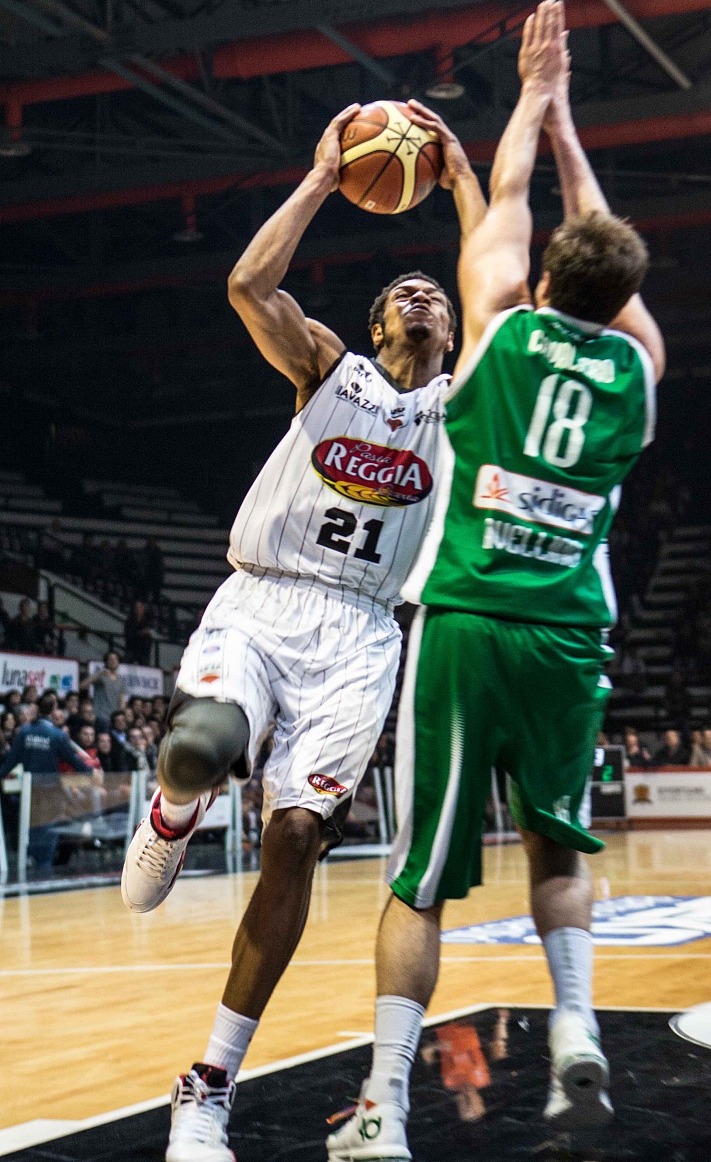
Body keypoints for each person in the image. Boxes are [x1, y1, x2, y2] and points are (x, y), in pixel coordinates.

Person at [327, 0, 665, 1160]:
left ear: (537, 281)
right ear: (622, 295)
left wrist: (533, 96)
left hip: (468, 621)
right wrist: (575, 138)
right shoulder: (639, 368)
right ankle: (575, 1027)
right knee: (561, 854)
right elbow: (588, 237)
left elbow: (507, 213)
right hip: (572, 630)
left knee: (416, 884)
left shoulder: (497, 335)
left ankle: (385, 1111)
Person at [119, 101, 486, 1161]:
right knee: (198, 746)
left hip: (366, 634)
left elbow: (500, 288)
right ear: (372, 326)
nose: (420, 295)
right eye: (400, 292)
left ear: (450, 329)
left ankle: (206, 1085)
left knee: (293, 842)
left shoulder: (461, 405)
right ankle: (174, 807)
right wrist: (326, 176)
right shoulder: (332, 370)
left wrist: (461, 184)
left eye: (434, 294)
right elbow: (247, 286)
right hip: (267, 596)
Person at [0, 691, 103, 868]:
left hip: (30, 790)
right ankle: (44, 865)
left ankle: (30, 860)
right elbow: (74, 760)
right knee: (48, 827)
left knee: (31, 825)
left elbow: (10, 761)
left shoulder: (24, 732)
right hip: (50, 790)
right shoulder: (57, 735)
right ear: (53, 710)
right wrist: (90, 772)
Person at [79, 651, 126, 729]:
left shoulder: (121, 680)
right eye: (110, 659)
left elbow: (122, 699)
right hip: (100, 717)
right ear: (106, 662)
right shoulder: (101, 676)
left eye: (115, 659)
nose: (113, 661)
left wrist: (121, 716)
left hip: (114, 719)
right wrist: (99, 674)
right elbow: (82, 686)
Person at [124, 601, 154, 666]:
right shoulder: (129, 620)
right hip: (131, 647)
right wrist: (140, 633)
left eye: (140, 607)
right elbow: (128, 633)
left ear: (143, 608)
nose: (138, 609)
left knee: (145, 666)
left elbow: (149, 632)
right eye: (136, 608)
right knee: (126, 663)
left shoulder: (147, 620)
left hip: (144, 649)